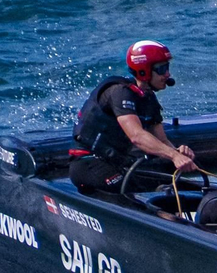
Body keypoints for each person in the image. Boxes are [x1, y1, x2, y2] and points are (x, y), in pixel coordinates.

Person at [70, 40, 196, 196]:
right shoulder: (120, 93)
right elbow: (137, 136)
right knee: (132, 192)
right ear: (144, 71)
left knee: (175, 181)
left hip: (116, 164)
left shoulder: (149, 99)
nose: (167, 74)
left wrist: (178, 153)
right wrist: (174, 155)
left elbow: (162, 141)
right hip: (88, 164)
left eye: (167, 68)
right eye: (162, 69)